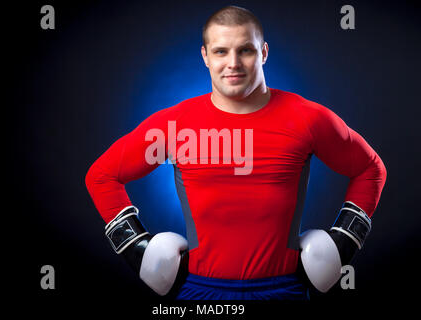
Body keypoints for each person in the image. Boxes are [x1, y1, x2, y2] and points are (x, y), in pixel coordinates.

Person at [85, 6, 387, 300]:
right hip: (200, 292)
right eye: (220, 51)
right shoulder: (174, 125)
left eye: (245, 50)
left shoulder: (308, 118)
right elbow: (102, 176)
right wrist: (133, 245)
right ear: (205, 56)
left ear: (264, 52)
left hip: (284, 290)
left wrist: (348, 237)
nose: (233, 63)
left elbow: (369, 168)